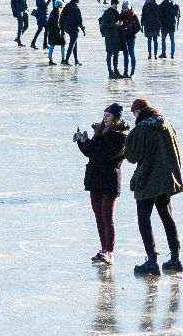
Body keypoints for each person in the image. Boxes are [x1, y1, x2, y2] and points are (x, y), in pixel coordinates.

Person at [123, 97, 183, 276]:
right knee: (166, 217)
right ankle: (175, 258)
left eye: (134, 113)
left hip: (147, 181)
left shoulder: (141, 129)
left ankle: (152, 261)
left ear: (138, 112)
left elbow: (132, 156)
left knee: (144, 220)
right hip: (165, 181)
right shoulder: (167, 126)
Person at [76, 103, 129, 266]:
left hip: (110, 180)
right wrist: (81, 141)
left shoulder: (121, 136)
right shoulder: (100, 131)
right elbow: (90, 153)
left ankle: (109, 252)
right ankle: (103, 249)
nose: (105, 118)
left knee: (107, 217)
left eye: (108, 115)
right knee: (99, 217)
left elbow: (104, 155)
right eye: (104, 115)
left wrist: (89, 144)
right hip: (95, 178)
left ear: (116, 118)